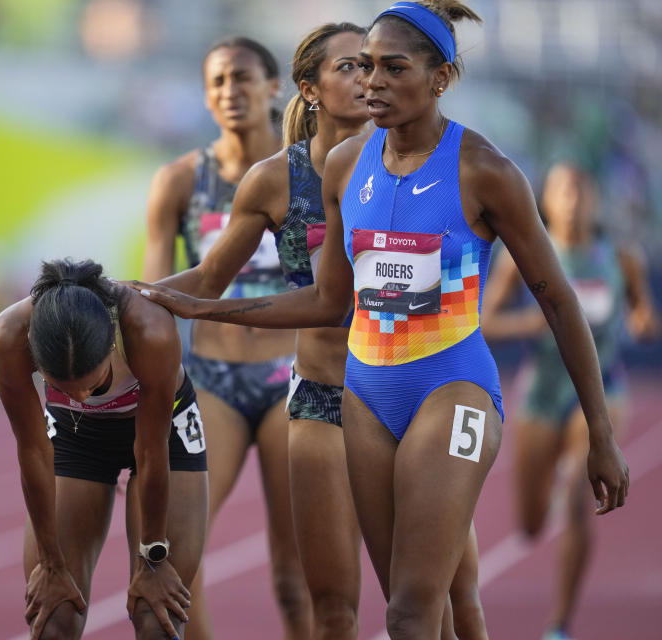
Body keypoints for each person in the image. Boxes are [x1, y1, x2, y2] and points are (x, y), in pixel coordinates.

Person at [130, 2, 630, 638]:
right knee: (410, 609)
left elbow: (557, 299)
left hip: (453, 386)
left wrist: (601, 432)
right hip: (364, 397)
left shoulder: (486, 171)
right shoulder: (345, 167)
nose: (373, 82)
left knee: (416, 608)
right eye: (365, 67)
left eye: (394, 68)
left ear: (440, 78)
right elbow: (326, 302)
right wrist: (202, 305)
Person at [143, 21, 487, 640]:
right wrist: (137, 298)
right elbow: (212, 275)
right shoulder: (278, 178)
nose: (369, 78)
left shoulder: (415, 163)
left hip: (418, 392)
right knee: (332, 605)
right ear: (309, 88)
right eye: (352, 66)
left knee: (456, 600)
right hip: (323, 393)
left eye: (378, 65)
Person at [141, 36, 308, 638]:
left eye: (242, 78)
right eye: (216, 82)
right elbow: (154, 298)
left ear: (272, 88)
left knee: (296, 576)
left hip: (296, 380)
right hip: (212, 382)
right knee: (175, 560)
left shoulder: (311, 171)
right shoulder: (181, 182)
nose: (229, 92)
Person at [482, 163, 659, 640]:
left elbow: (644, 312)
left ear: (596, 201)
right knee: (531, 524)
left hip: (601, 392)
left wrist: (643, 321)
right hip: (540, 394)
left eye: (583, 189)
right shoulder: (525, 256)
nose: (575, 199)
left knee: (580, 497)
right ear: (547, 203)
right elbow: (483, 322)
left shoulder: (621, 258)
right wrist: (527, 326)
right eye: (565, 190)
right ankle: (555, 488)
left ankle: (558, 626)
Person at [0, 258, 209, 640]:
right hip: (77, 434)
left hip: (161, 432)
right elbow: (34, 452)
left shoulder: (149, 328)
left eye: (95, 384)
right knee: (53, 619)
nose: (82, 395)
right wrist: (51, 562)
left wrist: (152, 557)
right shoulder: (9, 336)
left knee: (157, 619)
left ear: (111, 344)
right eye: (63, 386)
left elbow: (151, 453)